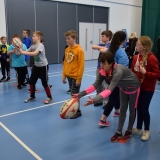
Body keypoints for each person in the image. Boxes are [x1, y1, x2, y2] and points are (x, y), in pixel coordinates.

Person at [73, 51, 140, 142]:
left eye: (103, 63)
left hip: (133, 87)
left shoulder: (118, 71)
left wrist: (94, 100)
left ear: (111, 63)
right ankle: (118, 132)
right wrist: (79, 95)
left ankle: (129, 131)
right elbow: (95, 85)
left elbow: (109, 90)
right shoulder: (104, 71)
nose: (101, 65)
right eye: (100, 62)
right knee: (123, 109)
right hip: (123, 88)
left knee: (132, 110)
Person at [132, 36, 160, 141]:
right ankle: (139, 128)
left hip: (148, 88)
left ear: (144, 46)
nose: (136, 46)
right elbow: (133, 71)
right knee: (138, 108)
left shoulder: (152, 58)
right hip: (137, 88)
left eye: (138, 44)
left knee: (144, 108)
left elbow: (157, 74)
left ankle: (147, 130)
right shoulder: (136, 57)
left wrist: (146, 73)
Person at [98, 31, 129, 125]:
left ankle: (117, 111)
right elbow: (122, 69)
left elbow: (103, 65)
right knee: (113, 97)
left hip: (109, 78)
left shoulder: (108, 50)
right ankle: (103, 119)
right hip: (116, 79)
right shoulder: (121, 53)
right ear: (123, 41)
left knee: (116, 95)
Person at [18, 31, 52, 104]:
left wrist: (22, 52)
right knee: (31, 82)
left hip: (43, 66)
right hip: (36, 66)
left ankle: (49, 97)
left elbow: (34, 53)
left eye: (34, 36)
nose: (32, 37)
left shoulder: (40, 45)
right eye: (32, 36)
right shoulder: (33, 46)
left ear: (38, 37)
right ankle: (32, 96)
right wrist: (19, 49)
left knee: (44, 83)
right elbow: (26, 51)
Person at [62, 30, 84, 119]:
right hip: (68, 76)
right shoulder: (67, 49)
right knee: (72, 94)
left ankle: (77, 111)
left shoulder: (79, 50)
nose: (67, 40)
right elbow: (65, 63)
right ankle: (75, 109)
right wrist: (64, 75)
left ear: (74, 39)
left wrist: (79, 79)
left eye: (68, 38)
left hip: (75, 77)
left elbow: (81, 66)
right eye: (66, 39)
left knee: (74, 95)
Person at [92, 30, 113, 106]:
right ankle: (99, 100)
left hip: (106, 69)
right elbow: (93, 46)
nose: (101, 37)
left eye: (103, 36)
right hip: (99, 68)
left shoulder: (110, 45)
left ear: (108, 37)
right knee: (98, 84)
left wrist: (101, 49)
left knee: (105, 85)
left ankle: (106, 102)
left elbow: (105, 51)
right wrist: (101, 47)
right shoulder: (103, 44)